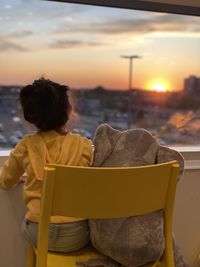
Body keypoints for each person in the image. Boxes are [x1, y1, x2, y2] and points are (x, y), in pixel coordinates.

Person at [0, 78, 93, 252]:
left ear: (31, 117)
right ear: (68, 110)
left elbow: (5, 182)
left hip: (38, 232)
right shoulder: (84, 145)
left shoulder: (26, 146)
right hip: (77, 235)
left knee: (27, 227)